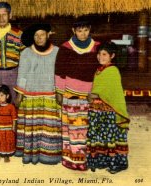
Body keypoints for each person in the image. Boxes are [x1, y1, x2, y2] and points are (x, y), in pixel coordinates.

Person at [55, 18, 100, 171]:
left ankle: (85, 160)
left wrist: (96, 92)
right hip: (70, 95)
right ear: (74, 31)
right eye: (79, 30)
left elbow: (101, 71)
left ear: (90, 29)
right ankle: (71, 160)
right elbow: (59, 72)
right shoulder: (66, 47)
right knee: (71, 129)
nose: (83, 33)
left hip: (88, 95)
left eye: (86, 30)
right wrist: (59, 92)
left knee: (85, 128)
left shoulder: (97, 47)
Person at [14, 24, 62, 165]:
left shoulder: (58, 52)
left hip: (50, 96)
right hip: (30, 96)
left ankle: (49, 155)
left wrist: (59, 92)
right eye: (36, 35)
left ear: (48, 34)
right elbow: (22, 74)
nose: (39, 38)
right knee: (32, 126)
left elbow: (60, 74)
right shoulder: (26, 53)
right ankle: (31, 154)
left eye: (42, 34)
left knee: (49, 127)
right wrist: (20, 95)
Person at [87, 42, 130, 174]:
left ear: (112, 55)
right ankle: (99, 161)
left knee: (109, 136)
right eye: (99, 54)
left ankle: (116, 163)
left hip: (109, 111)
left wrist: (94, 94)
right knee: (98, 135)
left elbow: (109, 91)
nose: (101, 57)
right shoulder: (99, 70)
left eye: (104, 54)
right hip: (96, 109)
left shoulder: (113, 70)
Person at [0, 85, 17, 163]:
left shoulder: (11, 106)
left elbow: (14, 118)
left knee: (6, 141)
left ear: (7, 96)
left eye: (1, 95)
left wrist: (14, 127)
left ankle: (6, 156)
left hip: (7, 129)